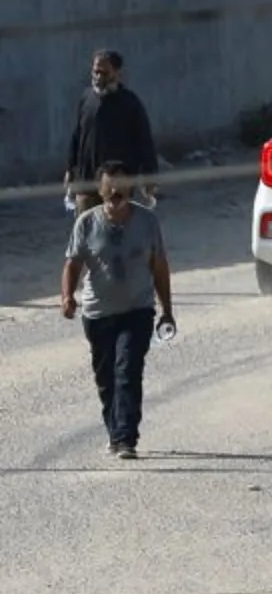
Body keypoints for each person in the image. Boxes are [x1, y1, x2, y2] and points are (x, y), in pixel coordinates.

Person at [59, 162, 174, 459]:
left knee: (128, 371)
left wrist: (167, 309)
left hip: (137, 310)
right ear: (100, 190)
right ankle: (115, 432)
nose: (115, 195)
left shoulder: (147, 222)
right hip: (97, 314)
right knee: (106, 379)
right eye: (109, 189)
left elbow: (159, 267)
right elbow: (72, 263)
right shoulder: (86, 223)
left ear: (130, 190)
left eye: (121, 189)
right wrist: (67, 296)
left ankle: (126, 438)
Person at [65, 48, 159, 209]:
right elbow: (77, 136)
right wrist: (70, 169)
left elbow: (144, 142)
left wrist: (149, 178)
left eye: (104, 73)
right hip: (87, 181)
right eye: (95, 72)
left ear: (117, 72)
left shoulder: (130, 103)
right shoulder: (86, 98)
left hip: (117, 184)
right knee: (87, 227)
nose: (98, 78)